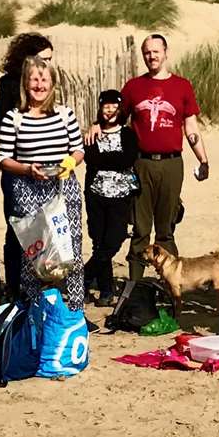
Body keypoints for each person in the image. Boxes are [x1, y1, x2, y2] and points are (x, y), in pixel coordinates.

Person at [0, 55, 87, 311]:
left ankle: (73, 309)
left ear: (52, 83)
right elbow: (3, 158)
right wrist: (26, 169)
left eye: (44, 79)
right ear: (25, 83)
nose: (39, 85)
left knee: (70, 250)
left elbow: (78, 150)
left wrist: (70, 162)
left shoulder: (65, 114)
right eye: (33, 79)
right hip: (27, 190)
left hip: (62, 189)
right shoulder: (13, 118)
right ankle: (35, 310)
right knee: (35, 256)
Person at [122, 34, 209, 283]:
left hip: (172, 163)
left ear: (165, 52)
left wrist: (203, 160)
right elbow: (116, 120)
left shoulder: (182, 86)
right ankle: (134, 287)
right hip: (141, 163)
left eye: (156, 51)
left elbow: (190, 127)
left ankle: (171, 285)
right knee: (140, 228)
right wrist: (97, 125)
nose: (151, 56)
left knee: (166, 228)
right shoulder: (133, 87)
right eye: (147, 52)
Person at [0, 33, 55, 303]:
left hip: (46, 169)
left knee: (47, 228)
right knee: (17, 229)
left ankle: (42, 285)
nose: (49, 64)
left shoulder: (48, 82)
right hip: (17, 168)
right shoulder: (9, 84)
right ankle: (15, 286)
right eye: (45, 58)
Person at [83, 89, 139, 307]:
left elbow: (127, 159)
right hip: (96, 195)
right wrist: (109, 160)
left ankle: (84, 276)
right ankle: (106, 291)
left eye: (113, 105)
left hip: (120, 196)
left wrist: (106, 160)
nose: (109, 110)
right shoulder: (92, 134)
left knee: (114, 241)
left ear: (120, 108)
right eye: (105, 106)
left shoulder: (128, 134)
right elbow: (92, 159)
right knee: (99, 242)